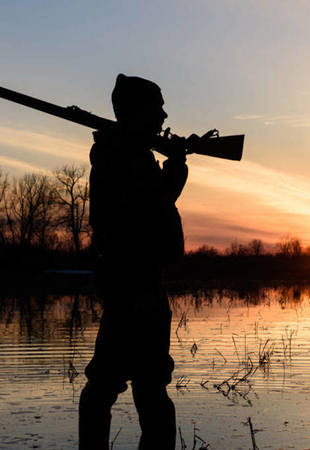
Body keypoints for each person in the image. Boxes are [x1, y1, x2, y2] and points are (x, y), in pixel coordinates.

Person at [79, 74, 187, 449]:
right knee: (138, 386)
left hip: (137, 281)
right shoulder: (122, 157)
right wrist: (175, 172)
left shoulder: (126, 152)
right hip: (134, 284)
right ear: (137, 112)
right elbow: (149, 211)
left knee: (126, 384)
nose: (164, 115)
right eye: (157, 108)